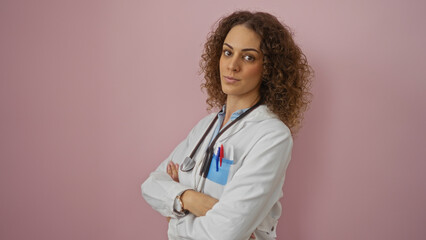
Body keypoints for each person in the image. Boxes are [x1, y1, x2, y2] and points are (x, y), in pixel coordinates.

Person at [141, 10, 312, 240]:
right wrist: (191, 199)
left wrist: (174, 218)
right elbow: (151, 185)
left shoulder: (272, 136)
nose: (232, 65)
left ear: (269, 68)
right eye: (227, 52)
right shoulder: (206, 127)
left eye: (248, 57)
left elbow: (224, 233)